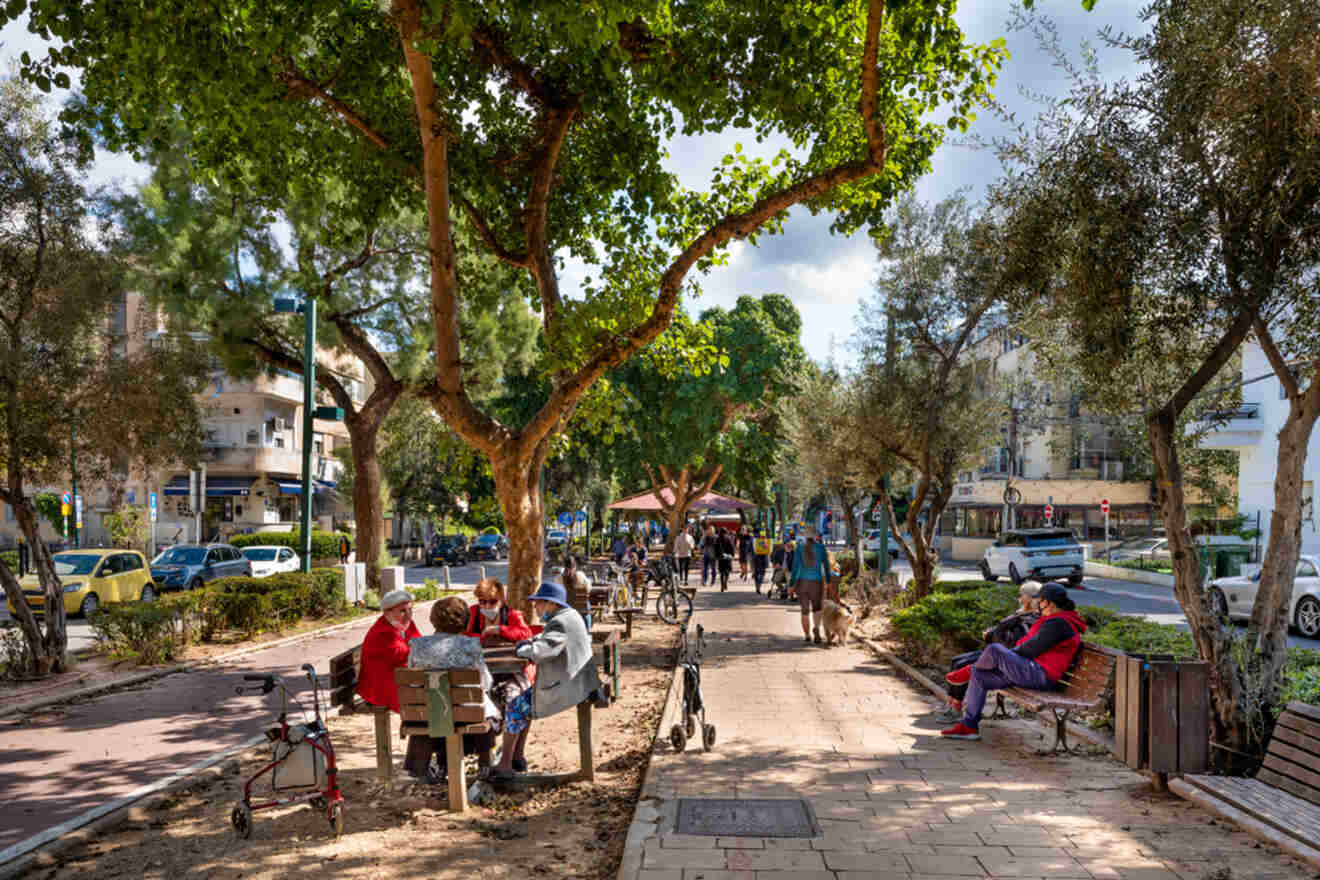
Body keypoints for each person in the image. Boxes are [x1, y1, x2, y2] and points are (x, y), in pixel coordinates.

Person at [941, 583, 1087, 741]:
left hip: (1041, 675)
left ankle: (969, 670)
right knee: (980, 675)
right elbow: (1027, 648)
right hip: (1032, 671)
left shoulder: (1060, 624)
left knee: (995, 650)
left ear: (1049, 602)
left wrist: (1004, 657)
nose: (1038, 604)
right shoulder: (1056, 621)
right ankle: (968, 726)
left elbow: (1029, 649)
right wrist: (1006, 659)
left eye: (1041, 601)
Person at [491, 581, 602, 781]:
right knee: (524, 702)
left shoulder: (560, 622)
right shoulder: (570, 616)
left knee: (515, 706)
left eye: (538, 603)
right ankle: (517, 756)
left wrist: (521, 649)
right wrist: (532, 639)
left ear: (551, 603)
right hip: (581, 681)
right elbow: (548, 637)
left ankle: (505, 765)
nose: (535, 607)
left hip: (570, 686)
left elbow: (541, 652)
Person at [403, 596, 504, 781]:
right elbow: (485, 682)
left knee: (437, 707)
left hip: (427, 715)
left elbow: (413, 682)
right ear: (464, 621)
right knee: (488, 707)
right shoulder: (471, 645)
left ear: (434, 619)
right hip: (467, 714)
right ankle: (484, 763)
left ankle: (436, 765)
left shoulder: (417, 645)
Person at [356, 589, 428, 778]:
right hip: (381, 689)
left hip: (397, 681)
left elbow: (418, 646)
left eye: (410, 610)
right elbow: (409, 654)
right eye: (402, 611)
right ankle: (419, 765)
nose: (408, 615)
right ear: (387, 613)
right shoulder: (383, 633)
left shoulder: (404, 625)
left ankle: (418, 764)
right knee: (432, 707)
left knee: (434, 704)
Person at [943, 581, 1042, 715]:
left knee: (961, 664)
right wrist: (992, 632)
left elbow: (1011, 643)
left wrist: (990, 636)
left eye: (1022, 595)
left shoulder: (1031, 618)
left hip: (1004, 658)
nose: (1019, 598)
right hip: (994, 652)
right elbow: (1002, 630)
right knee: (956, 660)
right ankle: (953, 703)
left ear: (1030, 598)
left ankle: (956, 708)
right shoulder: (1021, 613)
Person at [789, 528, 833, 643]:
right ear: (815, 537)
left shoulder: (799, 548)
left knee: (804, 611)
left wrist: (791, 584)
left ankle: (807, 635)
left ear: (804, 537)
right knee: (817, 608)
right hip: (816, 583)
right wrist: (828, 581)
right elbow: (827, 566)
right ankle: (816, 629)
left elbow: (795, 568)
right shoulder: (821, 548)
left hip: (802, 583)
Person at [751, 530, 772, 594]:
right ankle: (758, 586)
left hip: (761, 559)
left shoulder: (767, 542)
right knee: (758, 574)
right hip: (758, 559)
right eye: (762, 536)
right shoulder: (755, 542)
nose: (763, 538)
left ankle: (758, 587)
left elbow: (769, 550)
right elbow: (751, 549)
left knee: (760, 573)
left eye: (764, 537)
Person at [700, 522, 717, 588]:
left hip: (713, 555)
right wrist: (701, 550)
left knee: (713, 569)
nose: (710, 531)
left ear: (714, 530)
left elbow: (718, 546)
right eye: (709, 529)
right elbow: (701, 545)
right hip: (706, 554)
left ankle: (713, 581)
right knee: (705, 569)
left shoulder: (716, 537)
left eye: (711, 530)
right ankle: (705, 580)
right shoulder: (705, 537)